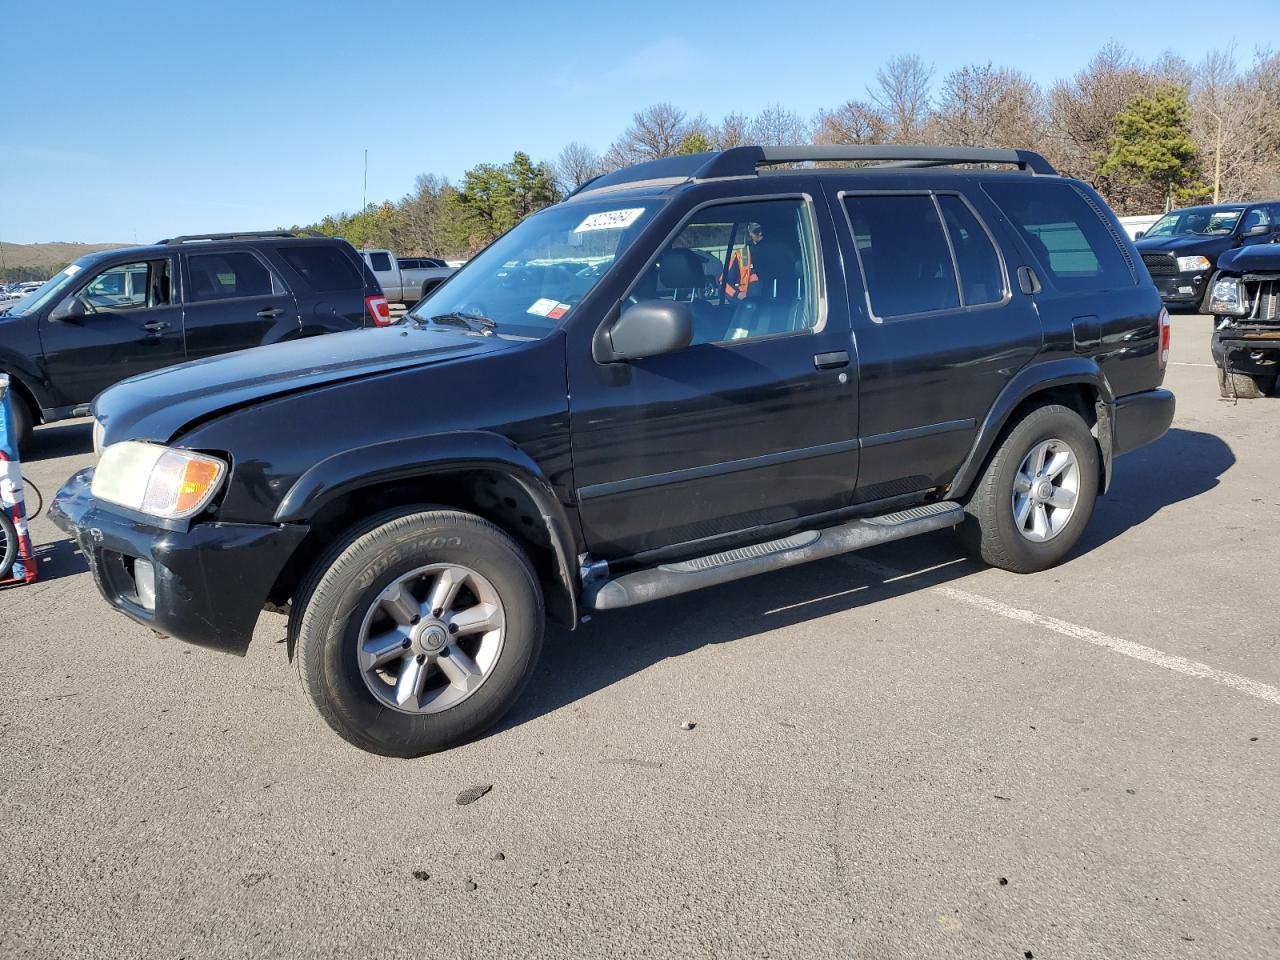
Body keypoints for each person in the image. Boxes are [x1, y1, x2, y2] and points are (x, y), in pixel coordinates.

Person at [723, 222, 763, 299]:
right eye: (756, 231)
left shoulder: (777, 252)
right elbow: (723, 283)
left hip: (775, 304)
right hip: (748, 304)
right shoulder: (742, 255)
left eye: (762, 230)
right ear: (750, 233)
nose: (760, 233)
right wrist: (737, 295)